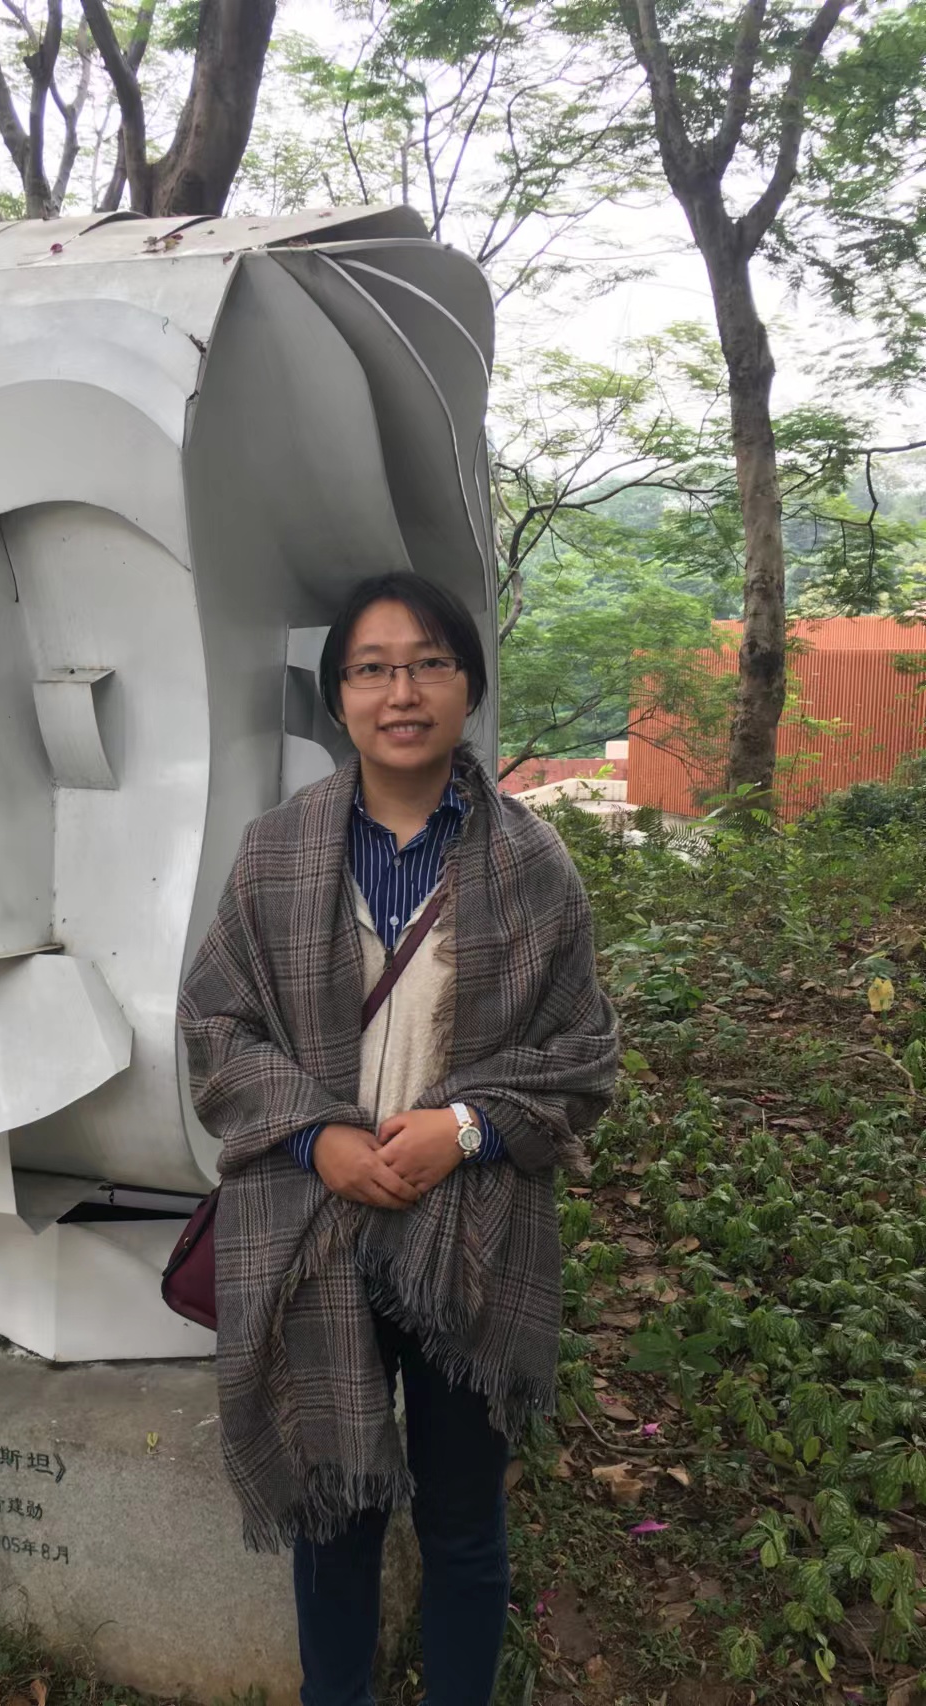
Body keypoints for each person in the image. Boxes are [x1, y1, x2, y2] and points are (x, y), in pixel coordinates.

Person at [178, 572, 619, 1706]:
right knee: (337, 1514)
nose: (401, 691)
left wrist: (465, 1129)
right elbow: (216, 1025)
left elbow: (581, 1054)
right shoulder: (276, 853)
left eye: (428, 663)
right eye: (371, 669)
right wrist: (313, 1139)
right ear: (339, 699)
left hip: (468, 1235)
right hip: (311, 1228)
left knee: (463, 1518)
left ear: (468, 686)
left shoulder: (531, 865)